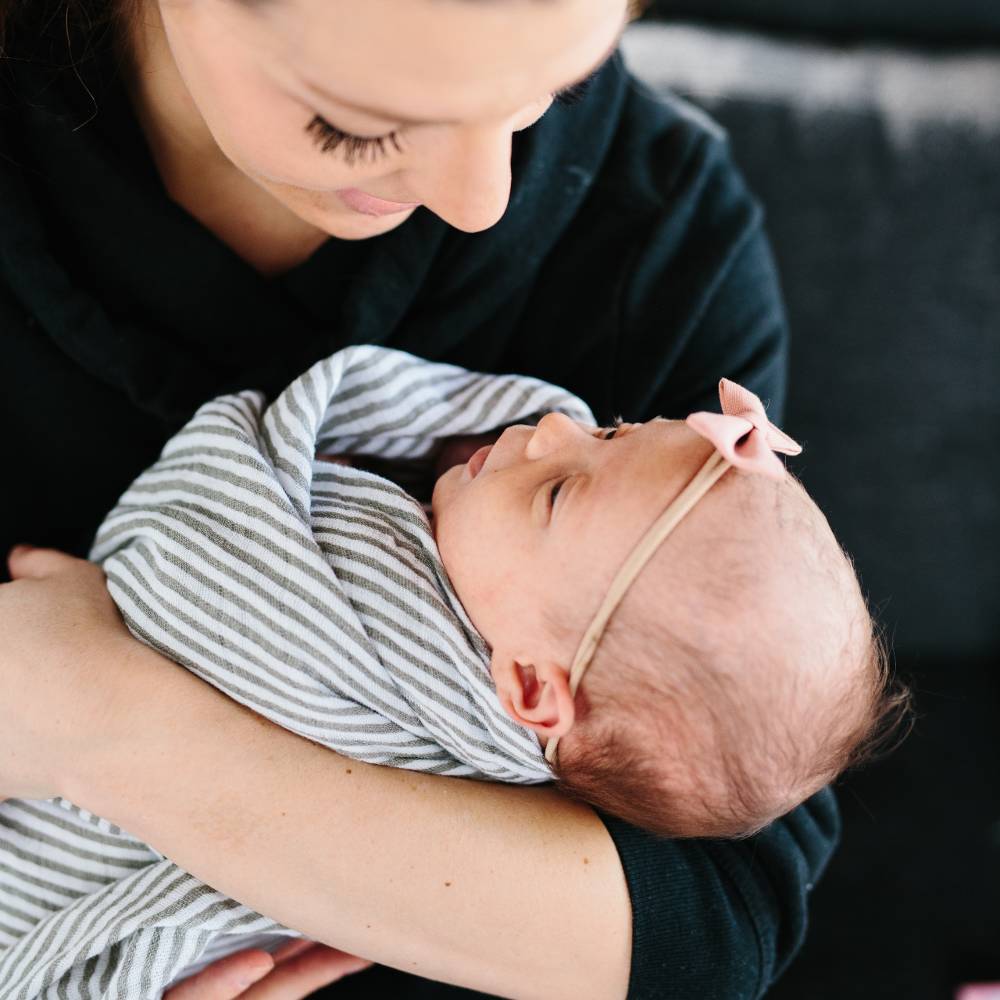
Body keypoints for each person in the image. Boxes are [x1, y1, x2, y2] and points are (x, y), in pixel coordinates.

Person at [0, 0, 842, 997]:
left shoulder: (656, 239)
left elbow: (709, 912)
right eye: (358, 126)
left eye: (546, 89)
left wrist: (111, 729)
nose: (480, 197)